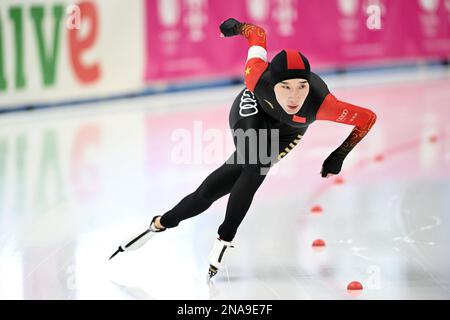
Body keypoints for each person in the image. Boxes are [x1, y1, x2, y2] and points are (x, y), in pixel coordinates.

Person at [109, 18, 377, 281]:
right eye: (285, 87)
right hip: (252, 113)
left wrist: (339, 154)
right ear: (273, 83)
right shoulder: (256, 73)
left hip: (287, 133)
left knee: (214, 189)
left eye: (301, 87)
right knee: (255, 165)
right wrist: (235, 27)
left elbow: (367, 119)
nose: (294, 96)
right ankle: (225, 238)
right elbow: (256, 34)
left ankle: (161, 222)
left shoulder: (324, 105)